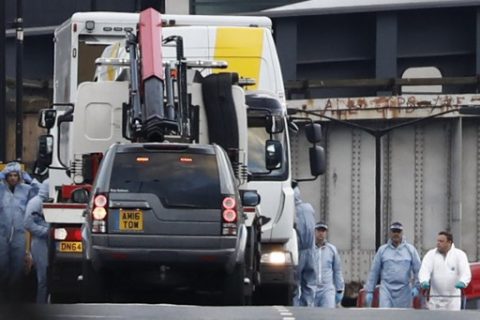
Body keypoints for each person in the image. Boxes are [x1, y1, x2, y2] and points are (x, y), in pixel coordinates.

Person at [0, 162, 39, 301]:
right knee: (2, 267)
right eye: (9, 175)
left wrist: (31, 179)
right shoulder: (1, 189)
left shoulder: (25, 189)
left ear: (19, 176)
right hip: (2, 235)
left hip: (19, 234)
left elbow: (39, 193)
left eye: (15, 175)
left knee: (18, 269)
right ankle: (3, 298)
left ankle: (15, 299)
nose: (12, 178)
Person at [365, 221, 421, 308]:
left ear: (402, 233)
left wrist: (417, 287)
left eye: (398, 231)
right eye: (394, 231)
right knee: (386, 315)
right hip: (386, 290)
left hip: (404, 291)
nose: (396, 234)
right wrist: (369, 291)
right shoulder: (382, 250)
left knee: (403, 317)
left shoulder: (410, 250)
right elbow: (374, 272)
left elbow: (418, 270)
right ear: (390, 233)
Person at [419, 230, 471, 310]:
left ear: (449, 242)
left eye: (441, 241)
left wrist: (463, 282)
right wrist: (424, 280)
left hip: (453, 300)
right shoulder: (431, 254)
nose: (438, 243)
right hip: (435, 300)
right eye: (438, 241)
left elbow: (465, 272)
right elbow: (424, 270)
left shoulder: (459, 255)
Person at [24, 179, 50, 303]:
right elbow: (28, 223)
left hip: (50, 241)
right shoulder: (35, 203)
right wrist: (45, 232)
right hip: (40, 242)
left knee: (49, 275)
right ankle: (41, 304)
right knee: (42, 276)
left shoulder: (49, 202)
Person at [292, 183, 317, 307]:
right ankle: (307, 308)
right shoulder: (308, 208)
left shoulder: (291, 209)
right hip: (310, 250)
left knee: (295, 284)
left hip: (298, 250)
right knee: (309, 283)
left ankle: (296, 308)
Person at [313, 222, 345, 308]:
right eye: (319, 230)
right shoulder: (310, 249)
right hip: (312, 288)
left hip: (327, 289)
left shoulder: (332, 250)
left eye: (323, 231)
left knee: (328, 314)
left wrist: (339, 289)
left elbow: (337, 270)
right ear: (315, 231)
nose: (321, 233)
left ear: (326, 233)